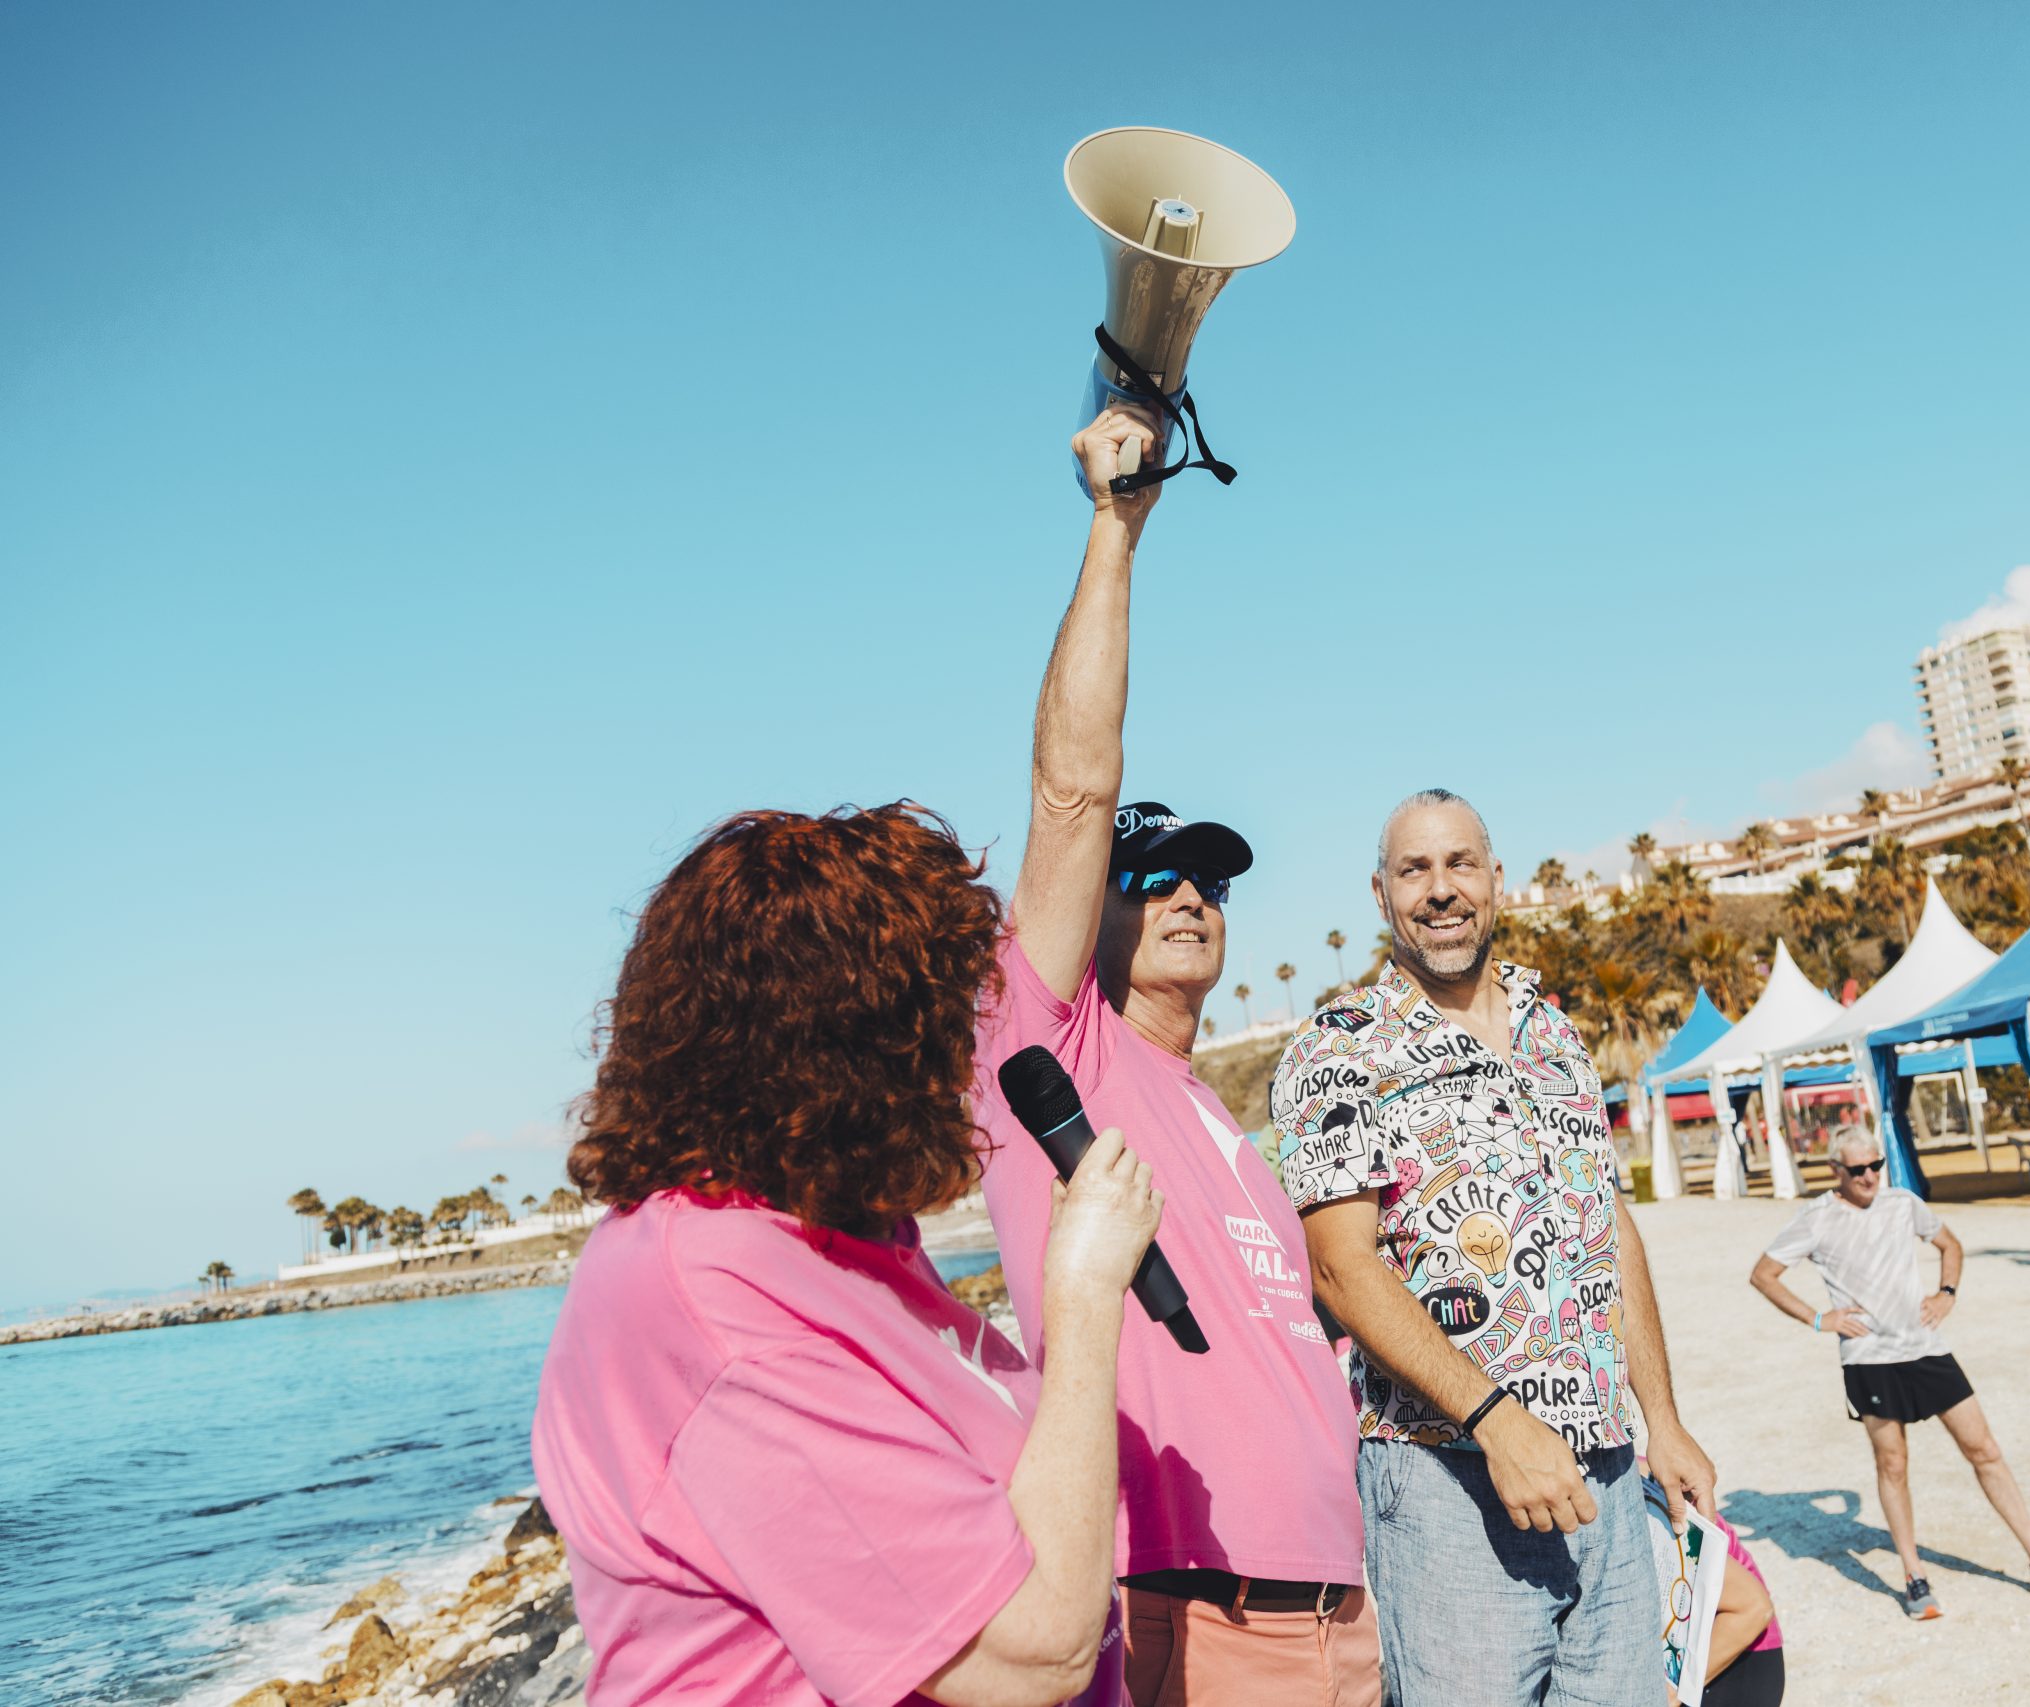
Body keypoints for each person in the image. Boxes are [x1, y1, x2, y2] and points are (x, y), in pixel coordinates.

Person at [531, 806, 1163, 1707]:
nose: (960, 1065)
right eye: (933, 1027)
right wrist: (1087, 1292)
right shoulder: (712, 1293)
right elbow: (1035, 1648)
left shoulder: (834, 1231)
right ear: (838, 1050)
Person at [971, 407, 1373, 1704]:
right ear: (1087, 911)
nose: (1189, 892)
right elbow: (1073, 791)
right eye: (1148, 876)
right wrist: (1116, 531)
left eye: (1207, 877)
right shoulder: (1052, 1046)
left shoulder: (1218, 1119)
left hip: (1343, 1616)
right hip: (1189, 1617)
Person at [1278, 789, 1719, 1707]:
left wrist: (1663, 1419)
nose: (1441, 889)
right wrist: (1499, 1422)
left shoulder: (1553, 1034)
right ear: (1381, 893)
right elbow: (1339, 1268)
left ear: (1497, 880)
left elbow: (1607, 1225)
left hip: (1606, 1474)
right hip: (1448, 1483)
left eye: (1460, 863)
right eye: (1414, 869)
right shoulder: (1340, 1047)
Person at [1748, 1133, 2030, 1622]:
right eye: (1857, 1169)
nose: (1869, 1176)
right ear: (1835, 1171)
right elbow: (1763, 1274)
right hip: (1869, 1359)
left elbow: (1949, 1243)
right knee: (1893, 1463)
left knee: (1984, 1449)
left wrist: (1946, 1293)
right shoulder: (1817, 1217)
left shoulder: (1902, 1203)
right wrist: (1817, 1319)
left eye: (1876, 1165)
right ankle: (1914, 1576)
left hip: (1927, 1350)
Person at [1698, 1515, 1785, 1707]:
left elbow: (1755, 1609)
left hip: (1740, 1657)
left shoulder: (1663, 1515)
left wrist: (1671, 1692)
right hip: (1714, 1645)